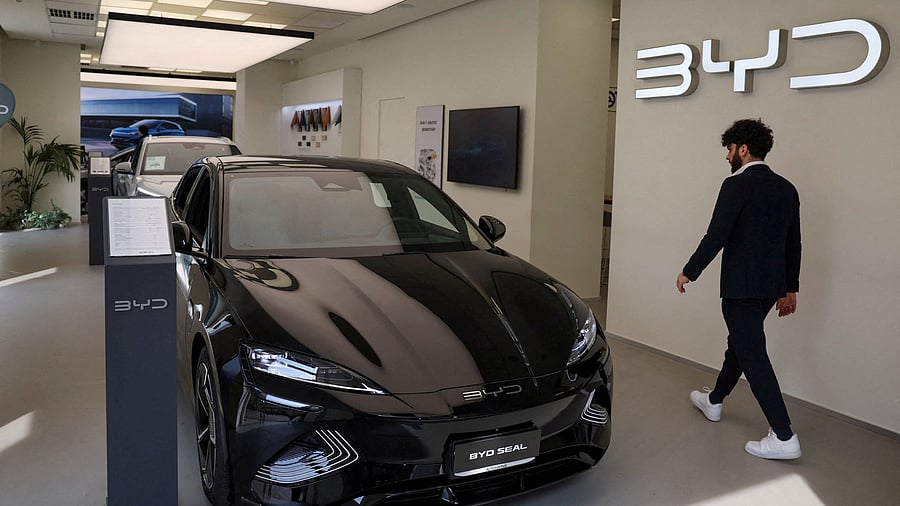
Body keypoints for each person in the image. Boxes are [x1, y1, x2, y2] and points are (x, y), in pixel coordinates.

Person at [676, 118, 802, 460]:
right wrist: (790, 288)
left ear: (742, 149)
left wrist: (690, 271)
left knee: (751, 352)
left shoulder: (735, 184)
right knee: (741, 345)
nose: (727, 156)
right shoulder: (787, 188)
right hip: (770, 288)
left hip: (740, 287)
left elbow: (717, 234)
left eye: (729, 149)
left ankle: (783, 435)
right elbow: (793, 243)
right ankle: (714, 400)